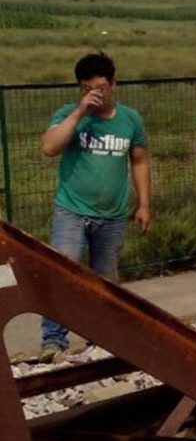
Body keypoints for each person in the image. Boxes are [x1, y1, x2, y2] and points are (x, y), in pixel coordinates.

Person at [38, 52, 151, 362]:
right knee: (63, 269)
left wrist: (144, 204)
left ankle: (101, 337)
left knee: (104, 280)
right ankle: (53, 340)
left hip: (112, 215)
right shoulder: (68, 114)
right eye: (88, 88)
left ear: (114, 83)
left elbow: (139, 160)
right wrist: (78, 113)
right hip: (72, 210)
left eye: (101, 87)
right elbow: (49, 147)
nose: (96, 94)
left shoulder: (130, 119)